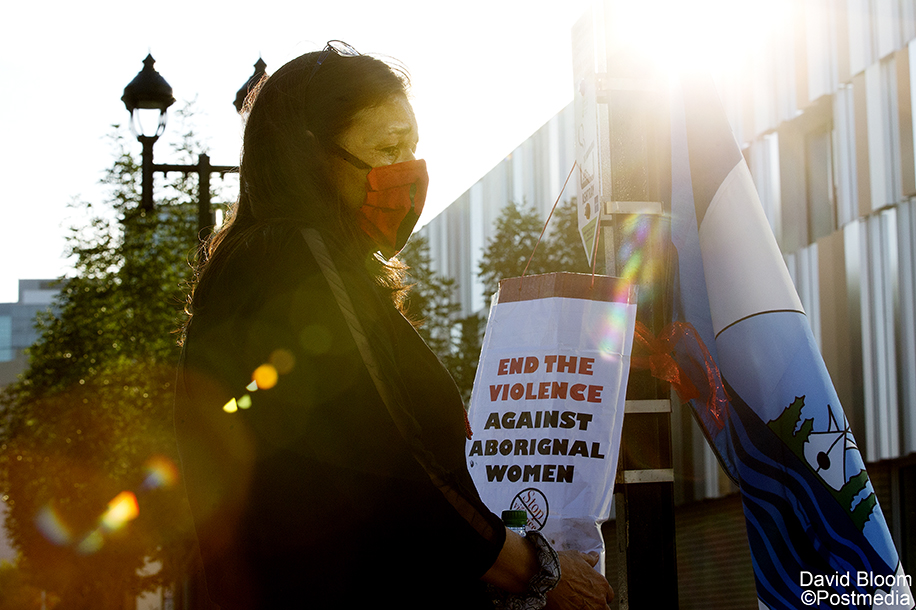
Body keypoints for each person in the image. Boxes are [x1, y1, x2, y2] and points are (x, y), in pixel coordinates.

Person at [174, 41, 614, 609]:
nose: (409, 171)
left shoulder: (276, 262)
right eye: (387, 147)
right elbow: (393, 468)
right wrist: (539, 571)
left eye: (412, 146)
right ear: (306, 156)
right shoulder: (292, 258)